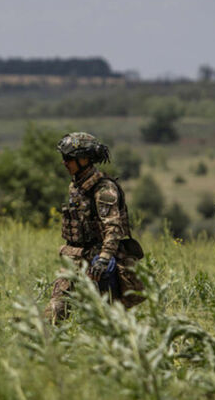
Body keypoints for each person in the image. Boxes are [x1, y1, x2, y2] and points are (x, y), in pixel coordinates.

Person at [44, 132, 145, 323]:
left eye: (69, 158)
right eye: (64, 158)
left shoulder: (104, 189)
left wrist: (104, 259)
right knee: (56, 310)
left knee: (108, 318)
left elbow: (113, 227)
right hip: (75, 258)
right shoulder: (76, 186)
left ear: (84, 159)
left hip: (99, 262)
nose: (64, 162)